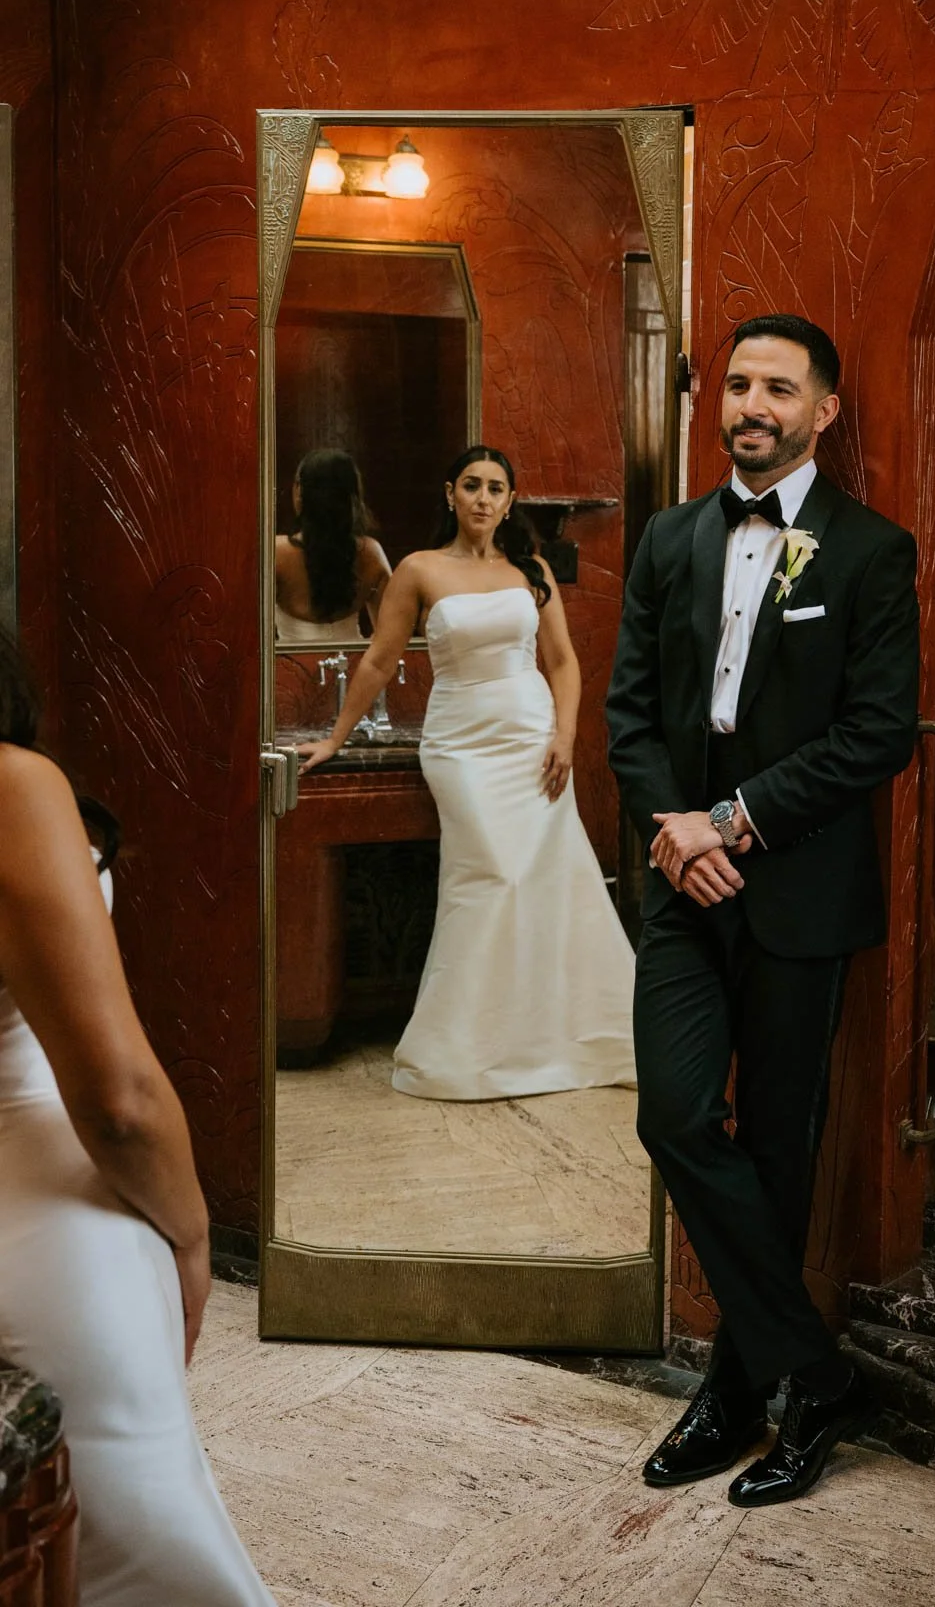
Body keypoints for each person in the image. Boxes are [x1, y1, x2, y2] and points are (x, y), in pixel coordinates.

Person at [606, 314, 919, 1507]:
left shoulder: (869, 552)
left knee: (780, 1152)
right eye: (737, 383)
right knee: (679, 1116)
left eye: (778, 388)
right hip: (684, 888)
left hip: (797, 888)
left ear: (822, 411)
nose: (751, 404)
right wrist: (672, 833)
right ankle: (819, 1375)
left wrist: (731, 823)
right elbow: (629, 712)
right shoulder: (673, 537)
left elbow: (877, 734)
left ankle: (741, 1392)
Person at [0, 628, 276, 1604]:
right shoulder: (11, 786)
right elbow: (119, 1105)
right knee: (146, 1565)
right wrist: (192, 1232)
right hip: (36, 1209)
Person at [299, 445, 635, 1100]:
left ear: (510, 500)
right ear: (450, 493)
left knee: (546, 878)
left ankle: (552, 1038)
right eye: (472, 486)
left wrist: (566, 736)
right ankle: (472, 1045)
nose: (484, 498)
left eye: (497, 488)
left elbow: (562, 661)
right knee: (489, 876)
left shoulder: (529, 568)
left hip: (531, 736)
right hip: (460, 743)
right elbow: (376, 661)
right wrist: (333, 739)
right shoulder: (420, 570)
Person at [274, 446, 391, 642]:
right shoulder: (370, 552)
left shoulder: (277, 553)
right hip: (356, 668)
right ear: (352, 497)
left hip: (291, 670)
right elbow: (390, 634)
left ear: (300, 491)